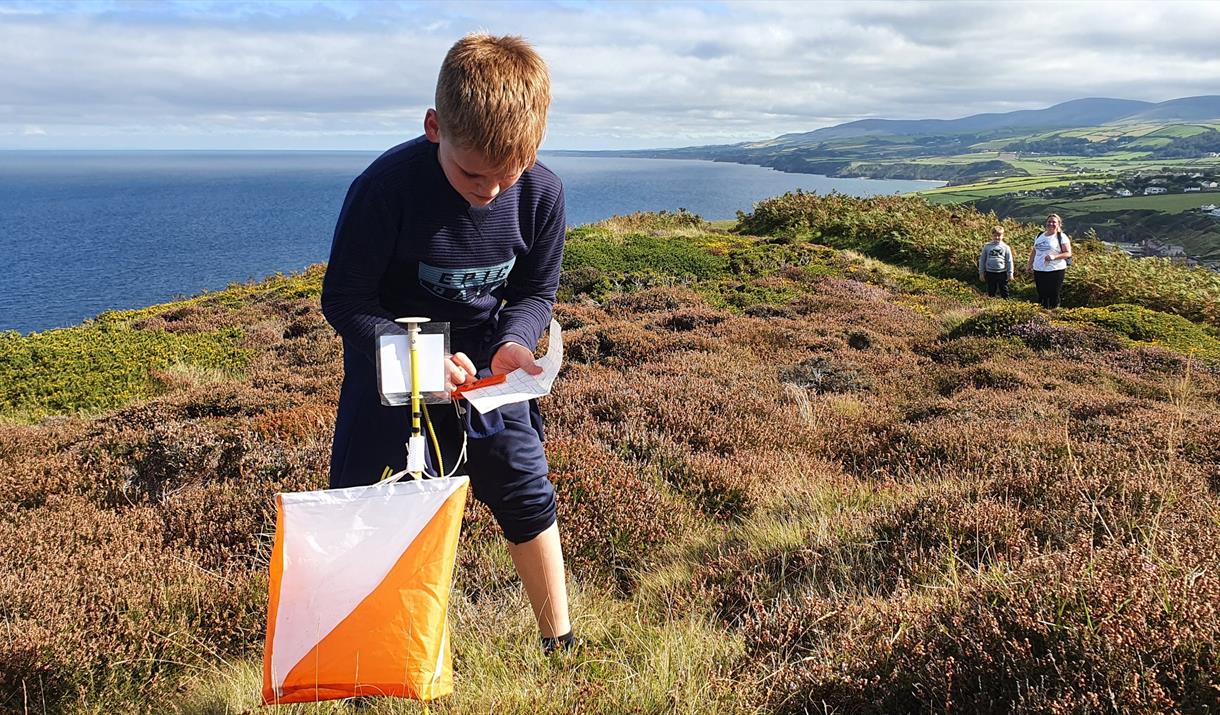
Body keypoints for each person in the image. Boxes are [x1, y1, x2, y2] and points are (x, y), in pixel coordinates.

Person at [320, 33, 573, 654]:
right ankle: (366, 659)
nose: (490, 190)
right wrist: (424, 361)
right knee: (375, 506)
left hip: (489, 371)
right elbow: (346, 301)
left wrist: (515, 340)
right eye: (472, 173)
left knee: (525, 488)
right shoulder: (385, 188)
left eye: (508, 174)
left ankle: (560, 643)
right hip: (394, 368)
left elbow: (536, 291)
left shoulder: (542, 192)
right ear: (435, 126)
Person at [1027, 213, 1072, 309]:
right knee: (1042, 294)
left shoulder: (1062, 237)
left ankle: (1054, 314)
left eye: (1054, 222)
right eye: (1049, 221)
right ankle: (1043, 316)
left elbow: (1068, 253)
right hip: (1039, 269)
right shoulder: (1039, 235)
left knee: (1053, 294)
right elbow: (1034, 251)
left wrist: (1054, 257)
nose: (1051, 224)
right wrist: (1029, 264)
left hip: (1055, 269)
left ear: (1059, 224)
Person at [977, 225, 1014, 298]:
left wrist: (1010, 273)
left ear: (1003, 236)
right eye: (995, 235)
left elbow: (1009, 261)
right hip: (990, 272)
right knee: (991, 290)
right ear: (992, 235)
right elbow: (982, 260)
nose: (997, 237)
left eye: (999, 235)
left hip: (1002, 273)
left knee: (1004, 290)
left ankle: (1006, 304)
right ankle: (992, 304)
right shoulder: (987, 246)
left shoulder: (1006, 247)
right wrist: (981, 273)